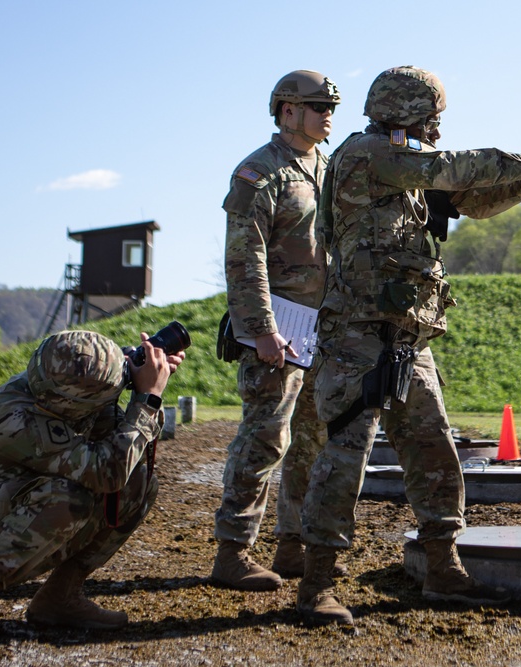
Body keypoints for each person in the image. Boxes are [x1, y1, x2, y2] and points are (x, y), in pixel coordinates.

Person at [297, 65, 521, 625]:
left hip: (407, 338)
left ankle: (442, 567)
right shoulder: (367, 154)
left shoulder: (406, 170)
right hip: (356, 336)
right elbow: (449, 169)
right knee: (344, 459)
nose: (437, 126)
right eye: (433, 116)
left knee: (433, 452)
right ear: (408, 112)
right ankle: (318, 584)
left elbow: (474, 199)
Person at [0, 329, 184, 651]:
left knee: (138, 484)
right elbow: (106, 472)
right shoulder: (15, 420)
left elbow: (122, 458)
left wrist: (133, 377)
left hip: (3, 507)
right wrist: (147, 398)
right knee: (67, 497)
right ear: (71, 399)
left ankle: (60, 598)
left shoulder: (59, 385)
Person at [211, 70, 344, 591]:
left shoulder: (329, 169)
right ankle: (233, 552)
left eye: (331, 105)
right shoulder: (258, 174)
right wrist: (262, 330)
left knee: (313, 441)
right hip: (278, 331)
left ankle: (294, 545)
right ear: (287, 110)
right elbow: (244, 260)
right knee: (265, 438)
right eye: (317, 105)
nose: (327, 113)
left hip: (322, 331)